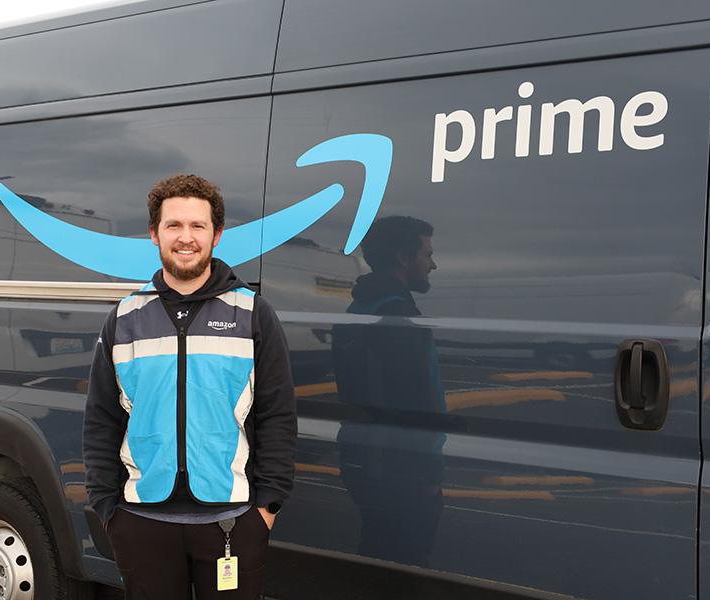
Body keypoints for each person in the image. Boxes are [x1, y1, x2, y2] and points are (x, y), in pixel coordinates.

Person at [83, 174, 297, 600]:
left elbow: (277, 413)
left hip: (233, 521)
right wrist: (108, 509)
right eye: (174, 225)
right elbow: (102, 418)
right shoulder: (124, 318)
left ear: (216, 235)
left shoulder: (252, 313)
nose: (186, 237)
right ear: (154, 233)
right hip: (141, 522)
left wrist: (267, 507)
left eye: (198, 225)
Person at [331, 215, 445, 567]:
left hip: (362, 458)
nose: (433, 264)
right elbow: (416, 406)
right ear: (403, 258)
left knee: (377, 553)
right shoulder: (398, 317)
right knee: (406, 564)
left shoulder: (357, 309)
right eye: (427, 254)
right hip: (399, 470)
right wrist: (429, 476)